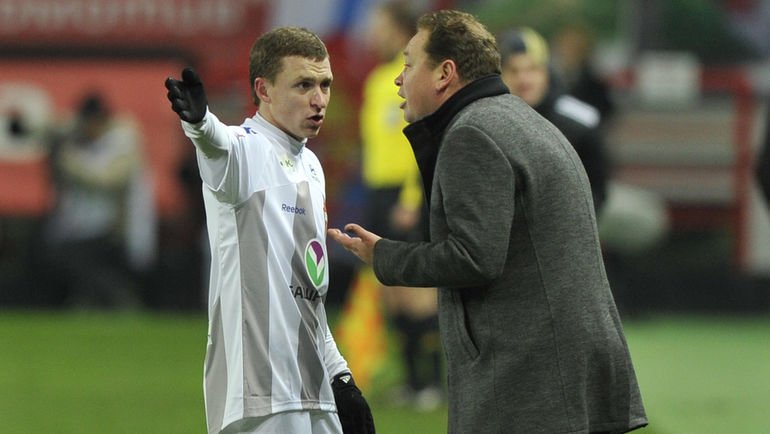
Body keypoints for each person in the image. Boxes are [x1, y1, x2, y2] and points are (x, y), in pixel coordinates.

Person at [328, 10, 647, 434]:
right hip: (563, 366)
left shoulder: (473, 134)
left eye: (409, 64)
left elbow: (474, 258)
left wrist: (384, 255)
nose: (399, 80)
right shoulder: (515, 118)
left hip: (534, 377)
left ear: (445, 73)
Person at [164, 27, 375, 434]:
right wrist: (200, 123)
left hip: (314, 389)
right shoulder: (246, 150)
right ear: (264, 89)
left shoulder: (311, 166)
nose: (319, 99)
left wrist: (341, 377)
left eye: (325, 84)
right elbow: (217, 144)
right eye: (303, 85)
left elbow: (308, 294)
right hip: (261, 395)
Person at [359, 1, 442, 408]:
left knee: (417, 291)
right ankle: (412, 382)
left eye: (378, 25)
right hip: (378, 193)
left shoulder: (410, 77)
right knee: (390, 288)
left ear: (397, 28)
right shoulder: (376, 79)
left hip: (404, 194)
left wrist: (412, 197)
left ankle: (436, 383)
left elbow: (421, 140)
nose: (372, 33)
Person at [42, 92, 154, 309]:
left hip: (118, 225)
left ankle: (122, 302)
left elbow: (109, 179)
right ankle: (91, 301)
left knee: (95, 267)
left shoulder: (123, 138)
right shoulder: (86, 139)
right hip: (89, 225)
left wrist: (70, 163)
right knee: (75, 263)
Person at [498, 26, 610, 214]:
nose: (524, 79)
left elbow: (597, 191)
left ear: (546, 72)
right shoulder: (485, 119)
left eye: (532, 69)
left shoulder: (579, 121)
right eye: (514, 70)